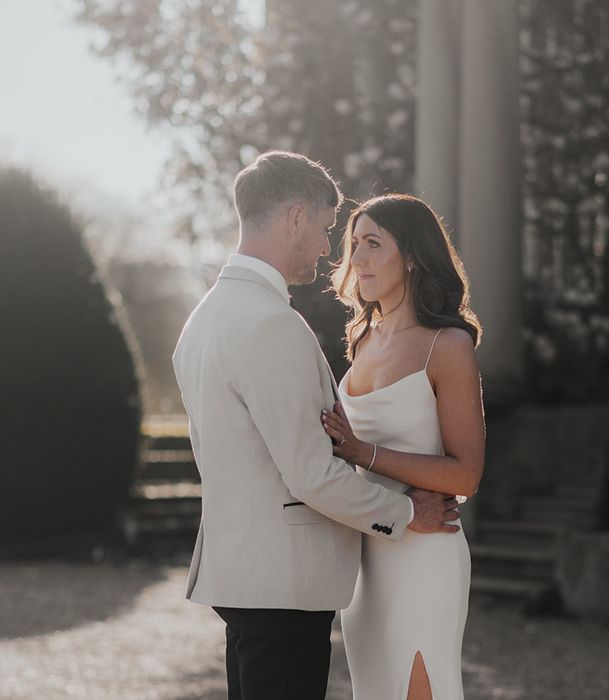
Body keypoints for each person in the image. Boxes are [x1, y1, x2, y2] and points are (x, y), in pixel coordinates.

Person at [172, 152, 460, 700]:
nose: (331, 250)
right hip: (283, 585)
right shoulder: (273, 325)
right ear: (296, 218)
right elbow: (310, 475)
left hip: (240, 573)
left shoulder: (204, 318)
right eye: (328, 230)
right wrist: (407, 512)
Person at [321, 193, 485, 700]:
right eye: (353, 245)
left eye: (373, 243)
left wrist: (363, 453)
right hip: (367, 553)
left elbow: (465, 475)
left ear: (411, 254)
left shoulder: (448, 345)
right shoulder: (362, 339)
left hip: (425, 554)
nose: (358, 259)